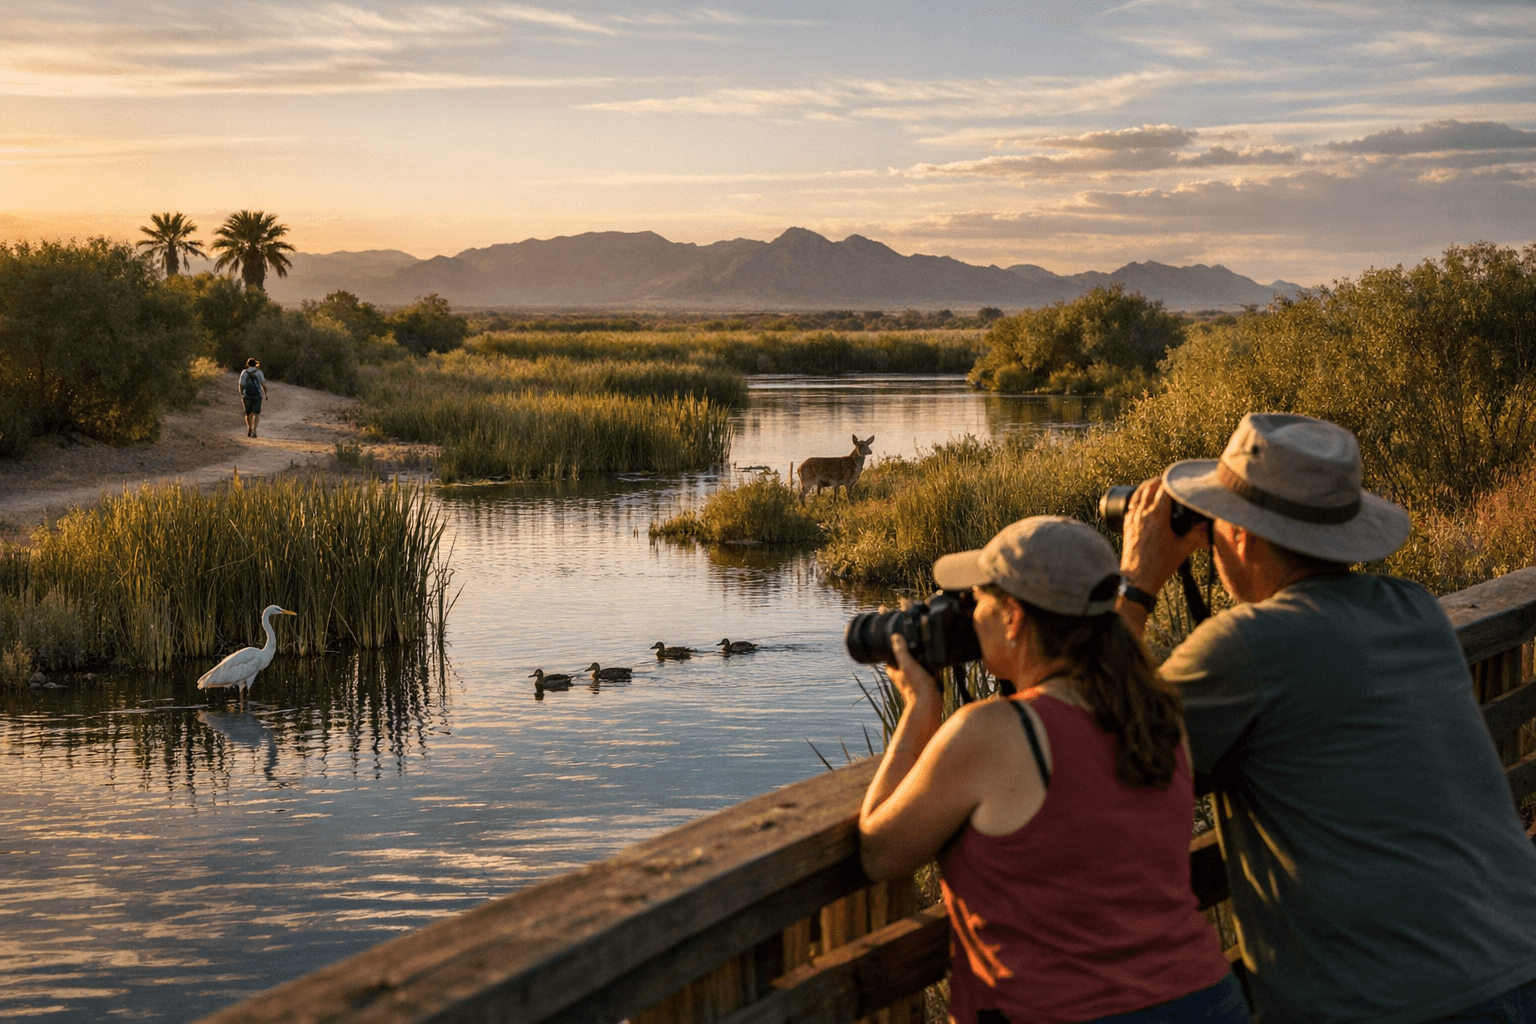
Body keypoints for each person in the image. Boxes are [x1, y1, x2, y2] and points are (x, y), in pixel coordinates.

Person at [1118, 412, 1536, 1024]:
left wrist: (1136, 584)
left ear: (1242, 537)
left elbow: (1100, 743)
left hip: (1394, 1003)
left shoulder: (1248, 646)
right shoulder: (1413, 609)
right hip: (1517, 959)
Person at [859, 516, 1249, 1024]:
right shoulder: (1153, 711)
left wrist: (918, 708)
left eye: (978, 601)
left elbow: (879, 851)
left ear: (1015, 617)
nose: (970, 617)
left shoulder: (993, 732)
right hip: (1206, 1000)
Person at [239, 358, 268, 438]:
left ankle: (249, 427)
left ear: (247, 364)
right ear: (256, 364)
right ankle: (254, 430)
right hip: (257, 395)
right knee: (256, 413)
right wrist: (265, 394)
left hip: (247, 395)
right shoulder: (259, 372)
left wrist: (242, 394)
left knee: (248, 413)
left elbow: (241, 385)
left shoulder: (244, 372)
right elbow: (263, 385)